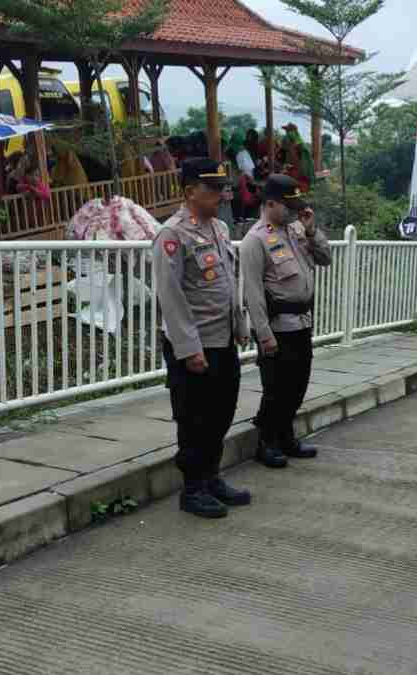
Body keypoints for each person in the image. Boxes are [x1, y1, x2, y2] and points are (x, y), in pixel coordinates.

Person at [152, 159, 251, 519]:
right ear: (190, 190)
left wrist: (239, 326)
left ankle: (211, 478)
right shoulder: (172, 234)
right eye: (212, 189)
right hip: (195, 345)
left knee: (222, 413)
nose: (220, 195)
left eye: (222, 188)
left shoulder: (220, 229)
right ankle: (192, 488)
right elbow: (171, 296)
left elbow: (228, 281)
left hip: (222, 339)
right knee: (194, 419)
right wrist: (189, 348)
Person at [240, 174, 332, 468]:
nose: (293, 210)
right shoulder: (255, 240)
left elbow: (325, 258)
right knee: (276, 388)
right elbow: (252, 293)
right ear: (269, 203)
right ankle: (267, 442)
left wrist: (311, 228)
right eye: (287, 205)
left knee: (298, 385)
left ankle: (286, 436)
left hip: (302, 322)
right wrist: (263, 334)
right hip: (277, 327)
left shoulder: (296, 230)